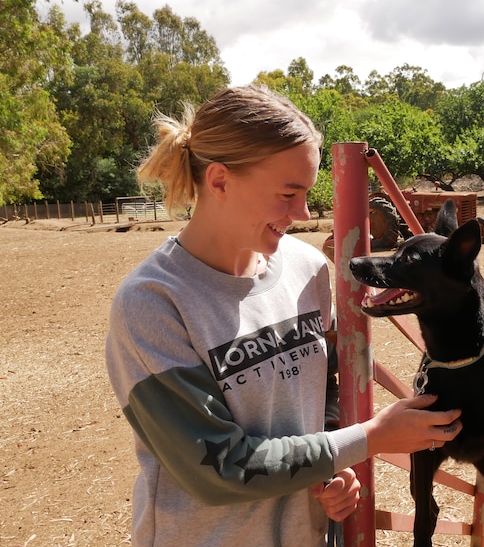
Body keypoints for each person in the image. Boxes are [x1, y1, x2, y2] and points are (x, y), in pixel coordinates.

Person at [105, 84, 463, 547]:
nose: (304, 212)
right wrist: (367, 438)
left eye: (308, 193)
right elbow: (219, 468)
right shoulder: (152, 304)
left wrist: (332, 467)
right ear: (219, 182)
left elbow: (326, 383)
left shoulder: (305, 268)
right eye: (289, 193)